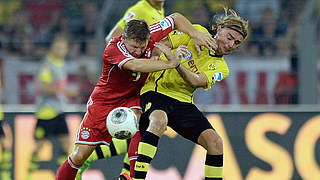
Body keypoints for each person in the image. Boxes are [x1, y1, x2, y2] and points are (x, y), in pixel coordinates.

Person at [56, 12, 216, 180]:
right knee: (78, 156)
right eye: (134, 47)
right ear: (124, 39)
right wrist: (169, 63)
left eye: (142, 46)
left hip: (133, 97)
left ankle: (134, 176)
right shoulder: (113, 49)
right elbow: (134, 65)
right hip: (104, 103)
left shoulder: (152, 33)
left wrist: (195, 34)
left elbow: (175, 18)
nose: (138, 51)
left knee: (141, 120)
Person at [134, 8, 249, 180]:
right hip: (156, 90)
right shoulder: (196, 32)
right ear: (218, 30)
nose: (231, 45)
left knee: (215, 143)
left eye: (236, 43)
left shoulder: (221, 68)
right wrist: (163, 55)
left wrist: (176, 62)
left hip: (183, 101)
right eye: (229, 37)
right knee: (159, 120)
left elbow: (196, 81)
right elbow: (161, 45)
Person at [76, 1, 167, 179]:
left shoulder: (159, 9)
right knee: (147, 127)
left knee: (148, 130)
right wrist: (131, 66)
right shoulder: (140, 9)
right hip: (132, 83)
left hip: (144, 80)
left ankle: (124, 173)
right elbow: (111, 39)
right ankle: (93, 161)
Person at [30, 34, 78, 177]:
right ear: (52, 48)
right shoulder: (47, 65)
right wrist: (66, 91)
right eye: (58, 47)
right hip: (46, 111)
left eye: (63, 47)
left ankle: (63, 176)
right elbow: (44, 87)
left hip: (58, 110)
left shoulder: (60, 64)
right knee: (39, 146)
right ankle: (28, 174)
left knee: (66, 144)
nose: (61, 50)